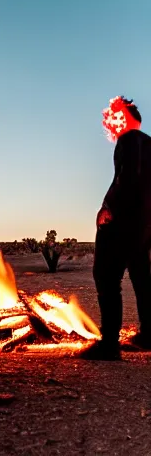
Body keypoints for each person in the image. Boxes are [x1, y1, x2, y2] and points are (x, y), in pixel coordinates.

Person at [81, 96, 151, 360]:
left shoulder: (129, 139)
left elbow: (127, 177)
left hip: (124, 221)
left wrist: (108, 206)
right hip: (145, 225)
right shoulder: (149, 143)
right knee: (142, 278)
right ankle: (148, 333)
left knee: (106, 276)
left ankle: (109, 344)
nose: (110, 123)